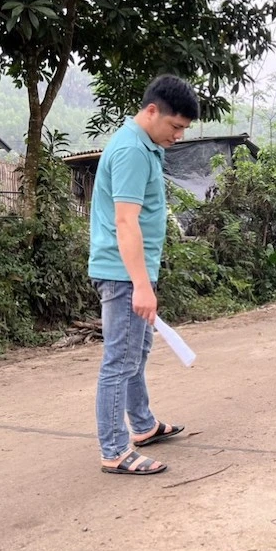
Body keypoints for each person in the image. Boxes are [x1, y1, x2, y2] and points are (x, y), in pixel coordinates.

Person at [88, 74, 199, 475]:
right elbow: (125, 221)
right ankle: (115, 450)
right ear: (152, 111)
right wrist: (139, 284)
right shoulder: (133, 150)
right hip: (123, 274)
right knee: (119, 360)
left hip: (132, 272)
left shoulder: (146, 145)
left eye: (184, 128)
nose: (179, 135)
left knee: (137, 352)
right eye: (175, 126)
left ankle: (143, 424)